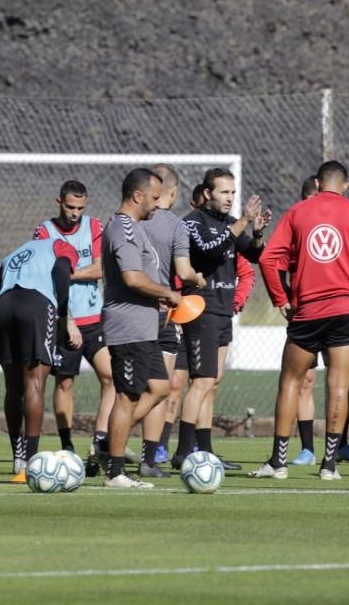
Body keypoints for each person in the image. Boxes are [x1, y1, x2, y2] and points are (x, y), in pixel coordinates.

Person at [253, 160, 349, 480]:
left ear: (318, 184)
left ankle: (278, 463)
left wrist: (280, 299)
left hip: (307, 312)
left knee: (291, 382)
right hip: (346, 312)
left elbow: (267, 259)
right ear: (345, 185)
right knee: (339, 384)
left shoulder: (297, 212)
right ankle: (329, 464)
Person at [170, 168, 267, 471]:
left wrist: (258, 234)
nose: (230, 198)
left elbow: (252, 255)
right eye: (224, 192)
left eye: (233, 193)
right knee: (200, 382)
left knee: (212, 383)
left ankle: (206, 451)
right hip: (201, 309)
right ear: (208, 193)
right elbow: (209, 251)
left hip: (223, 309)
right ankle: (184, 452)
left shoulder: (227, 223)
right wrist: (242, 223)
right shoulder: (192, 223)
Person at [0, 237, 79, 481]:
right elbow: (61, 269)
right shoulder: (61, 245)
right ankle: (31, 461)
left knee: (14, 387)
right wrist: (62, 317)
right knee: (35, 383)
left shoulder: (13, 257)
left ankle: (18, 457)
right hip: (37, 306)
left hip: (5, 306)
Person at [101, 168, 181, 488]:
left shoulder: (134, 227)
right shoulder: (123, 228)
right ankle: (115, 471)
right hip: (130, 326)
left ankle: (109, 443)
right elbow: (132, 278)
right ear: (137, 196)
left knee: (160, 388)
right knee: (127, 397)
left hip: (145, 325)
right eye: (154, 197)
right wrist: (167, 293)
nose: (157, 204)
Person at [288, 174, 349, 468]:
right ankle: (307, 448)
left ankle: (340, 443)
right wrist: (286, 301)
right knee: (305, 379)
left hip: (337, 312)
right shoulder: (296, 227)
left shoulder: (338, 223)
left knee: (347, 377)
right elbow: (279, 266)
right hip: (307, 314)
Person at [33, 181, 116, 460]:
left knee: (112, 378)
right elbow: (45, 277)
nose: (75, 213)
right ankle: (67, 445)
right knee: (65, 383)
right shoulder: (44, 231)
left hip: (94, 320)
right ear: (59, 202)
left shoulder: (93, 227)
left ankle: (100, 440)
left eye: (80, 208)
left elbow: (101, 268)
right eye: (70, 207)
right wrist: (66, 320)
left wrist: (67, 274)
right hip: (65, 320)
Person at [137, 164, 204, 477]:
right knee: (159, 388)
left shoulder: (128, 222)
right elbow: (183, 272)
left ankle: (110, 442)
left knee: (124, 388)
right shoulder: (176, 225)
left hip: (128, 313)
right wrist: (198, 280)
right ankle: (146, 458)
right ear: (173, 192)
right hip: (162, 315)